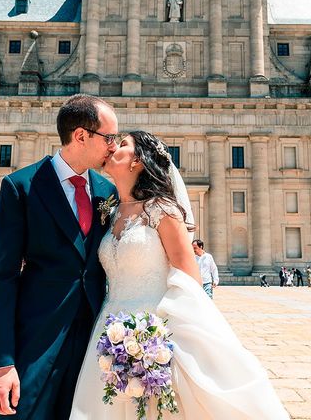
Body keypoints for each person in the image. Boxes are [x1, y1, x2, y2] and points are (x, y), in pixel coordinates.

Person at [70, 131, 289, 419]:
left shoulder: (162, 209)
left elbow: (189, 281)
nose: (112, 147)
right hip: (109, 329)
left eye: (122, 144)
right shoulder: (109, 212)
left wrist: (157, 338)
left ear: (138, 160)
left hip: (153, 331)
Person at [0, 94, 119, 420]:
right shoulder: (21, 186)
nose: (113, 147)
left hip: (93, 340)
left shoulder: (107, 191)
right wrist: (2, 362)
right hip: (37, 338)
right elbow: (3, 276)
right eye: (109, 138)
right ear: (81, 135)